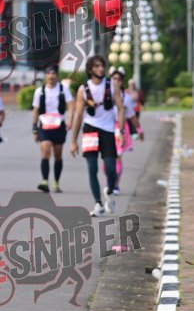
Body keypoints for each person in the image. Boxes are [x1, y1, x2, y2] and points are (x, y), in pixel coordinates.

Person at [69, 55, 125, 217]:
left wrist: (121, 131)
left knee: (111, 168)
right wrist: (73, 141)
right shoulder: (83, 89)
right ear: (90, 69)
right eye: (96, 66)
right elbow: (78, 115)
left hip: (108, 130)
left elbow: (121, 109)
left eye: (102, 66)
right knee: (92, 168)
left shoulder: (112, 85)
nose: (101, 69)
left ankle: (110, 191)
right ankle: (98, 203)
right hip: (90, 129)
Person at [31, 65, 73, 193]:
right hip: (44, 125)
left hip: (59, 125)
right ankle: (44, 181)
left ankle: (56, 182)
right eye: (48, 73)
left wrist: (70, 120)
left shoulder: (63, 89)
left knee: (58, 154)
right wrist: (34, 128)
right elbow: (35, 110)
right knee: (45, 150)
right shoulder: (39, 91)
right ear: (45, 76)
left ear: (57, 76)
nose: (51, 76)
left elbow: (70, 106)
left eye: (53, 73)